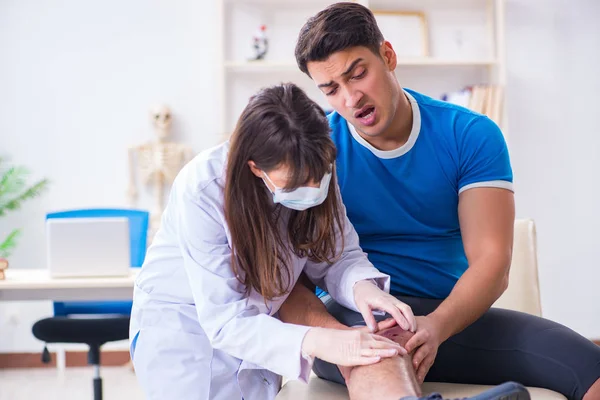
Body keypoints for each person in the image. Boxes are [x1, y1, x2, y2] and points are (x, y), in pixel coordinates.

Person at [278, 3, 600, 400]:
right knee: (380, 346)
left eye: (358, 73)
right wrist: (333, 340)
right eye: (331, 89)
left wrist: (437, 325)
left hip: (450, 317)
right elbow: (284, 278)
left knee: (588, 367)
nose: (350, 98)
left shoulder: (469, 134)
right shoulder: (316, 150)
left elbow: (492, 264)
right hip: (354, 317)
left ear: (388, 56)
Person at [128, 83, 420, 400]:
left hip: (257, 328)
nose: (311, 189)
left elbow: (338, 256)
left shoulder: (316, 162)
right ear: (255, 167)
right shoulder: (203, 189)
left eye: (317, 176)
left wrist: (362, 287)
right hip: (186, 333)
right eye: (295, 182)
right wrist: (321, 340)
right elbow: (226, 321)